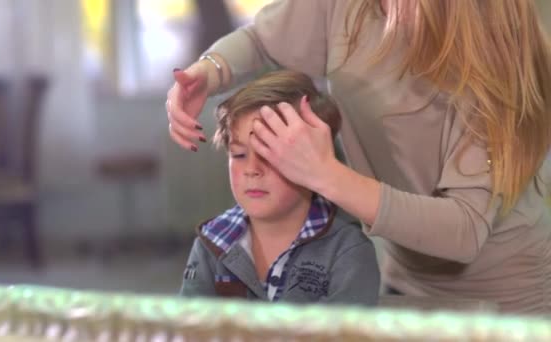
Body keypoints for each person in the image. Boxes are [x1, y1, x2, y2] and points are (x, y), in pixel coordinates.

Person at [167, 0, 551, 314]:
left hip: (508, 294)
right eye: (239, 154)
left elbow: (464, 231)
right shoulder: (215, 244)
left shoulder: (494, 51)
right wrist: (209, 71)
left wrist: (326, 175)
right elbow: (263, 39)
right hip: (402, 276)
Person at [179, 70, 380, 305]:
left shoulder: (348, 251)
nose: (251, 169)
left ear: (313, 160)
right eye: (239, 154)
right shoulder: (210, 243)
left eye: (269, 153)